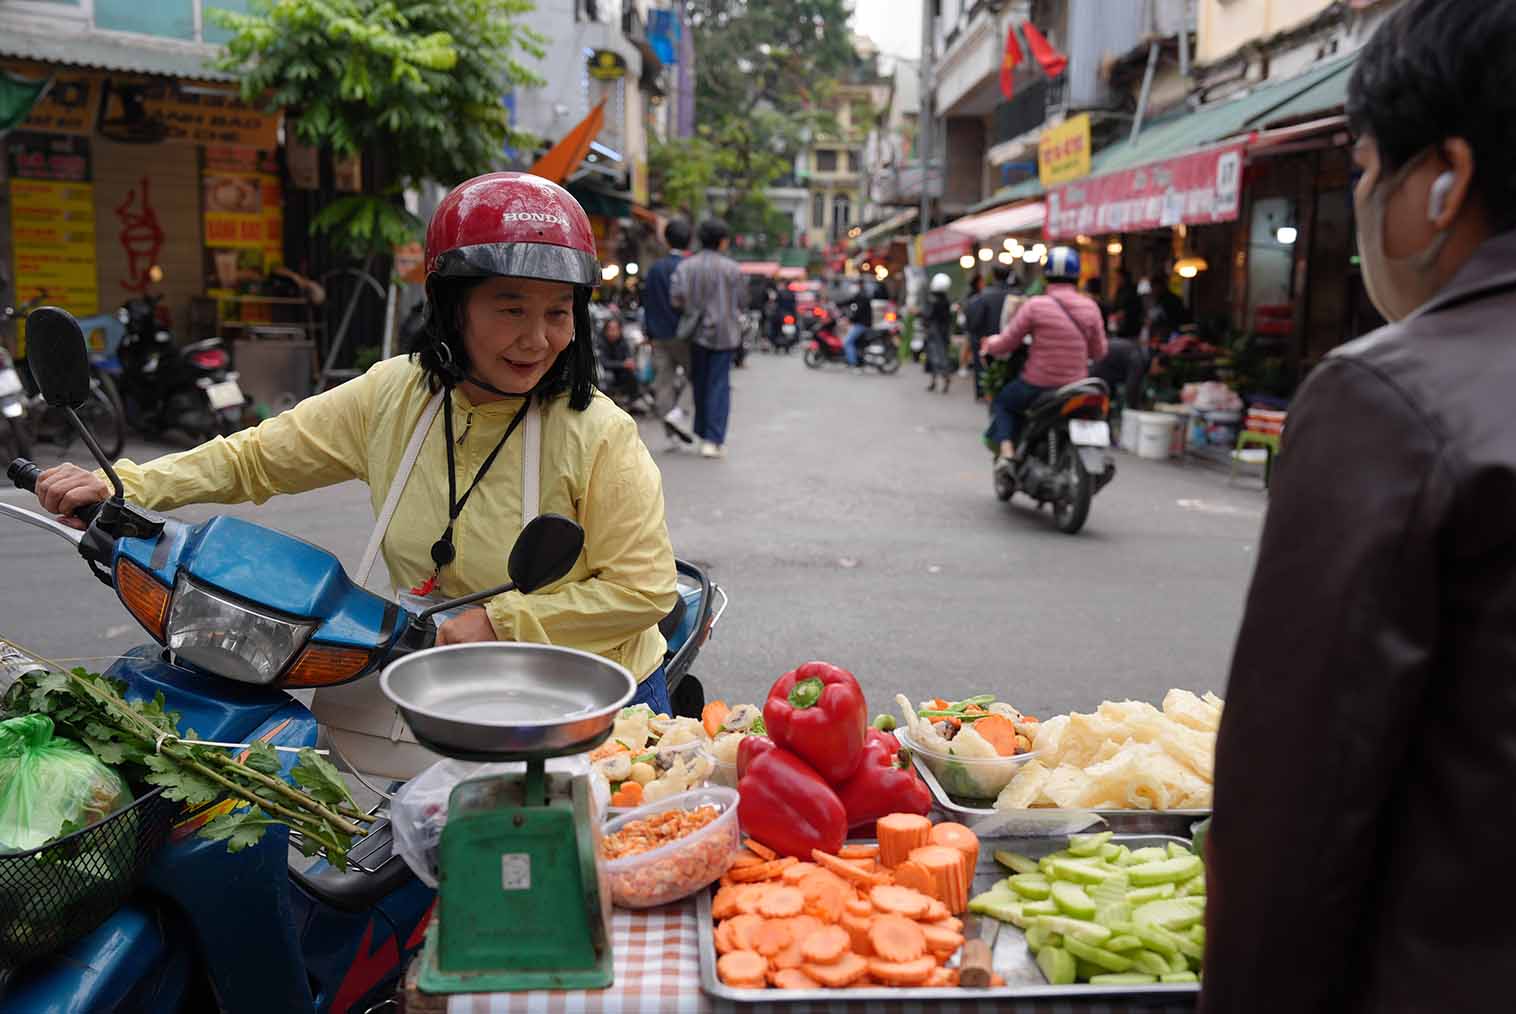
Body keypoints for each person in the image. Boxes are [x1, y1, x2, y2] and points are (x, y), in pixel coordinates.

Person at [33, 172, 679, 779]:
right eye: (511, 309)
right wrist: (125, 485)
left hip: (591, 701)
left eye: (558, 313)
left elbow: (645, 590)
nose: (537, 339)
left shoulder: (598, 431)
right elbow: (256, 457)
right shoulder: (392, 395)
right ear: (453, 306)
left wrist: (501, 622)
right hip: (447, 680)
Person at [1203, 1, 1516, 1010]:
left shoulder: (1390, 397)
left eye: (1365, 168)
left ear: (1443, 182)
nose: (1362, 194)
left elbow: (1296, 806)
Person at [979, 246, 1106, 478]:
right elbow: (1099, 352)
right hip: (1077, 385)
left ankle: (1007, 454)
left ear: (1046, 275)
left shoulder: (1036, 306)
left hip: (1038, 385)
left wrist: (989, 345)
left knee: (1005, 401)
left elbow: (1008, 342)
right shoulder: (1091, 307)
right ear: (1076, 276)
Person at [671, 217, 744, 459]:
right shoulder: (732, 269)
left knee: (699, 384)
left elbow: (677, 299)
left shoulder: (686, 267)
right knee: (719, 385)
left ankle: (702, 433)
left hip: (696, 333)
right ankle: (713, 439)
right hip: (725, 334)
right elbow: (742, 302)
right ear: (722, 242)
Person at [642, 218, 695, 445]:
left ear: (666, 239)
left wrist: (649, 332)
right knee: (697, 376)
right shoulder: (689, 267)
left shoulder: (655, 269)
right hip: (684, 334)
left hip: (659, 334)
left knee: (663, 381)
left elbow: (647, 301)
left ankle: (670, 432)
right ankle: (679, 414)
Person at [964, 265, 1017, 400]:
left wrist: (975, 335)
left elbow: (974, 320)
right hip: (1011, 340)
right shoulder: (1017, 295)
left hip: (986, 340)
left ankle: (984, 392)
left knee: (984, 369)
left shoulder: (983, 295)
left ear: (994, 276)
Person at [595, 313, 638, 406]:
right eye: (610, 330)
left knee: (632, 373)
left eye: (615, 330)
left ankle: (632, 400)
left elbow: (628, 356)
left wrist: (629, 363)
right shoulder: (600, 342)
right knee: (608, 377)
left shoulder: (623, 341)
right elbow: (604, 363)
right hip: (605, 372)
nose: (612, 333)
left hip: (620, 371)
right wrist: (623, 364)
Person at [923, 273, 954, 393]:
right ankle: (941, 380)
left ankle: (937, 380)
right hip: (943, 332)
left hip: (935, 333)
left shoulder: (933, 300)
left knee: (935, 357)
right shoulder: (946, 301)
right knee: (941, 356)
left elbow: (928, 315)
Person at [840, 280, 873, 374]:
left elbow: (858, 313)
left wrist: (849, 319)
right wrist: (838, 303)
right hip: (859, 324)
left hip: (862, 325)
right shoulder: (859, 295)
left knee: (847, 342)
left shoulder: (863, 296)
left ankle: (853, 364)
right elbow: (849, 301)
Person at [1112, 268, 1144, 339]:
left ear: (1124, 278)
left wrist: (1124, 313)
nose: (1116, 280)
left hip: (1131, 326)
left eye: (1118, 277)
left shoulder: (1133, 290)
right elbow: (1115, 306)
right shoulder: (1119, 291)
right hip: (1120, 327)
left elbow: (1137, 307)